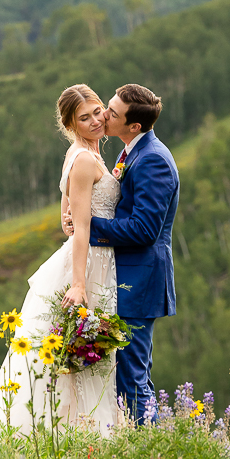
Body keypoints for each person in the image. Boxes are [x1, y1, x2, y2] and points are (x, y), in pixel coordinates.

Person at [0, 84, 121, 436]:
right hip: (90, 262)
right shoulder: (86, 158)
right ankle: (84, 433)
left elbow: (68, 204)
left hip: (91, 257)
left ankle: (73, 430)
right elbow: (82, 229)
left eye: (97, 112)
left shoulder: (80, 153)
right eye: (83, 118)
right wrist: (78, 284)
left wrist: (65, 214)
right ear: (70, 125)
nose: (95, 121)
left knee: (75, 356)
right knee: (83, 353)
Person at [87, 83, 179, 425]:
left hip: (140, 282)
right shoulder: (133, 151)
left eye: (112, 112)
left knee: (131, 379)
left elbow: (144, 230)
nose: (104, 115)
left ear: (134, 126)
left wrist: (89, 223)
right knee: (130, 373)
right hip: (128, 279)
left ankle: (150, 457)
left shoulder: (153, 159)